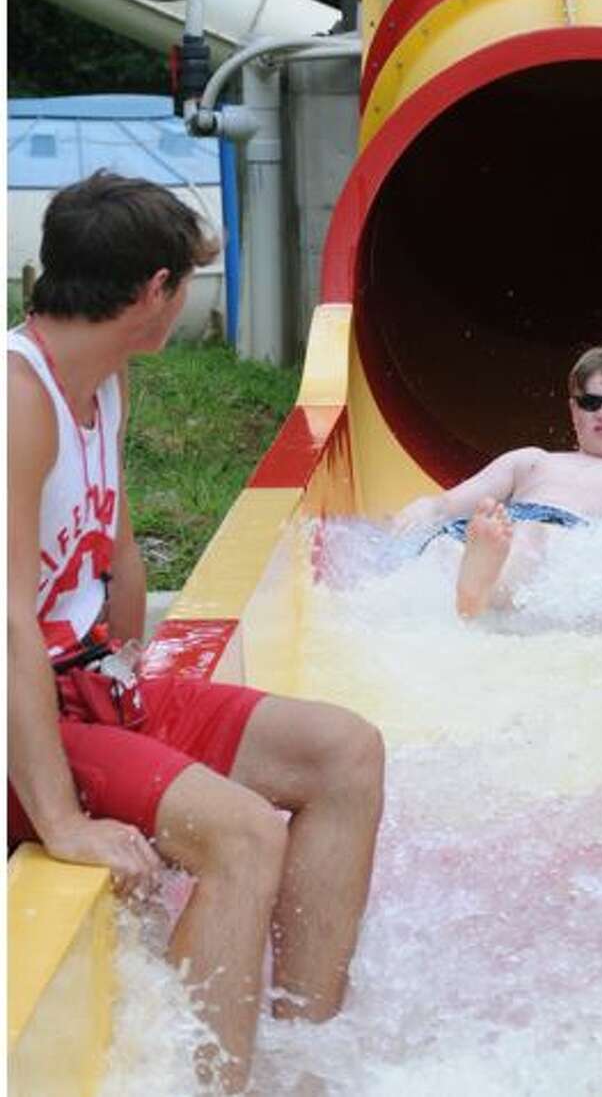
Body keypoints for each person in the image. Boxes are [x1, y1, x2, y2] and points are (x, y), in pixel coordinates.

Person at [7, 173, 385, 1092]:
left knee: (345, 753)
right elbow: (8, 616)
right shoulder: (18, 402)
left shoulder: (104, 384)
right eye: (185, 286)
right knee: (244, 834)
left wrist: (134, 687)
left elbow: (118, 554)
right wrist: (61, 817)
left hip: (93, 693)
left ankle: (301, 1058)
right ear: (155, 291)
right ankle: (205, 1085)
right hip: (30, 718)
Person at [395, 343, 602, 616]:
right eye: (591, 402)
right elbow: (447, 504)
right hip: (500, 531)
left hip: (571, 538)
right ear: (573, 410)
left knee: (533, 537)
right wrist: (423, 509)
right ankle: (477, 582)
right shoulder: (532, 461)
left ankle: (479, 588)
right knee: (444, 545)